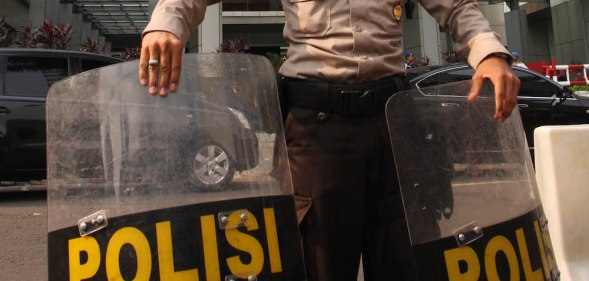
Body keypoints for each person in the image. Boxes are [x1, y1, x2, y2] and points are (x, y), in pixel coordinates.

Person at [139, 1, 520, 280]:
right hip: (317, 133)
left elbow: (457, 8)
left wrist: (489, 55)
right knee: (317, 265)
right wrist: (166, 24)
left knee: (408, 261)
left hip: (393, 128)